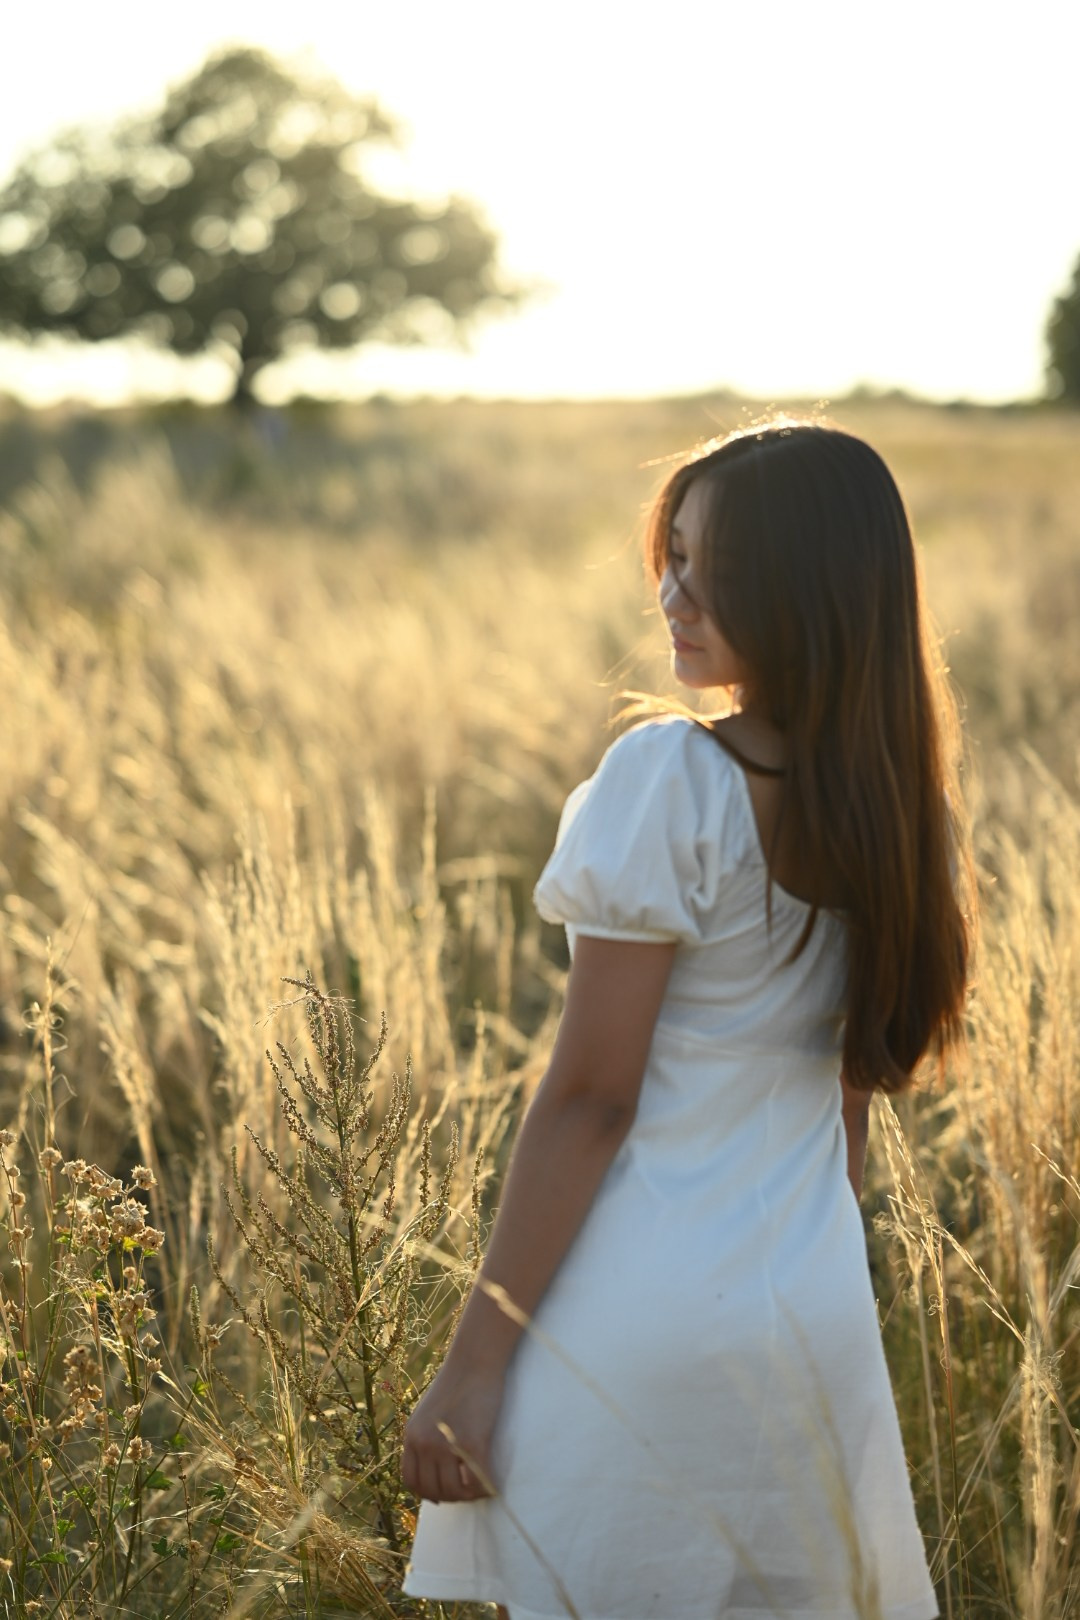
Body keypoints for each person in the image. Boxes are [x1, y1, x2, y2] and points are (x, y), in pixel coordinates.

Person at [400, 419, 972, 1620]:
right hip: (808, 1329)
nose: (672, 592)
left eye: (710, 564)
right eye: (670, 557)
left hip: (636, 1328)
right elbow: (846, 1119)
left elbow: (592, 1100)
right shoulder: (889, 810)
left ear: (805, 583)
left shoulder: (672, 783)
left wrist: (473, 1363)